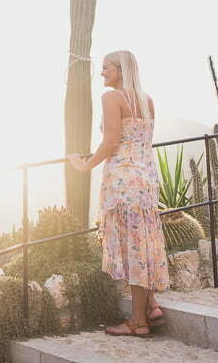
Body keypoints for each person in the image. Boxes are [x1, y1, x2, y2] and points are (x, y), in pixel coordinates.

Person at [66, 50, 169, 337]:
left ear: (120, 71)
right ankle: (151, 305)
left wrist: (84, 165)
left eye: (106, 67)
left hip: (123, 180)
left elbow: (111, 142)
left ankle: (138, 322)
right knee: (141, 244)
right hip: (146, 179)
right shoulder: (147, 100)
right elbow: (144, 143)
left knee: (130, 247)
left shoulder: (112, 98)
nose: (102, 72)